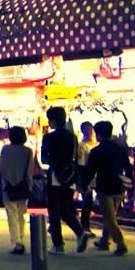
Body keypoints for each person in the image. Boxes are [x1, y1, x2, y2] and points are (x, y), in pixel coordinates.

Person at [41, 107, 88, 254]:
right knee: (66, 208)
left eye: (50, 120)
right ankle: (80, 232)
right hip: (70, 177)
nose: (49, 123)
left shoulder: (48, 137)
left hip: (55, 177)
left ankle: (58, 244)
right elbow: (76, 158)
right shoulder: (72, 137)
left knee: (54, 210)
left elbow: (44, 158)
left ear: (54, 120)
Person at [83, 121, 131, 256]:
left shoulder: (96, 151)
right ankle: (104, 241)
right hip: (119, 186)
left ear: (98, 134)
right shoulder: (120, 150)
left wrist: (84, 184)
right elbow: (128, 167)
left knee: (109, 218)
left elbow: (90, 171)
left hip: (104, 187)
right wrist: (130, 181)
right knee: (110, 215)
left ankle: (120, 243)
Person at [0, 126, 34, 255]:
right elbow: (29, 172)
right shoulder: (27, 151)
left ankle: (17, 242)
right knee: (21, 215)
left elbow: (2, 168)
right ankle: (21, 239)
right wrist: (30, 187)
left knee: (12, 215)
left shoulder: (5, 149)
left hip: (8, 186)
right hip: (23, 186)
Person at [77, 121, 99, 236]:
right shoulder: (82, 145)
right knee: (87, 202)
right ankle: (85, 226)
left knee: (91, 203)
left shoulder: (96, 145)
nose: (89, 132)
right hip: (87, 176)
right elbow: (81, 164)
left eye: (90, 129)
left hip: (97, 177)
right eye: (86, 129)